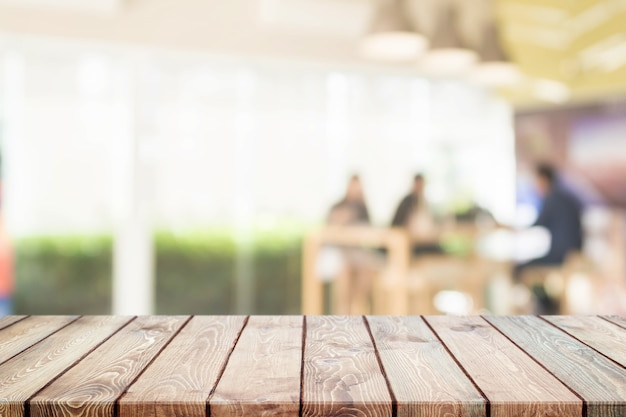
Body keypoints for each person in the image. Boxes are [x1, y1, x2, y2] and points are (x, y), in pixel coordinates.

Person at [515, 163, 583, 313]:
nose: (534, 186)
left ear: (543, 179)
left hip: (561, 254)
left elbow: (539, 222)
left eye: (535, 181)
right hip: (573, 250)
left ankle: (547, 305)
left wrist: (515, 228)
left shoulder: (552, 198)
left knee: (520, 269)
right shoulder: (566, 197)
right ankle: (547, 304)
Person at [324, 175, 378, 314]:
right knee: (345, 271)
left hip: (357, 251)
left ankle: (358, 308)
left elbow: (369, 230)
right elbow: (327, 230)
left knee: (367, 270)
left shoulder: (362, 208)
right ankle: (344, 310)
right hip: (340, 250)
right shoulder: (338, 206)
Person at [391, 174, 441, 254]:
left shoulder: (424, 201)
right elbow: (397, 224)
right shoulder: (406, 202)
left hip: (425, 240)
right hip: (409, 242)